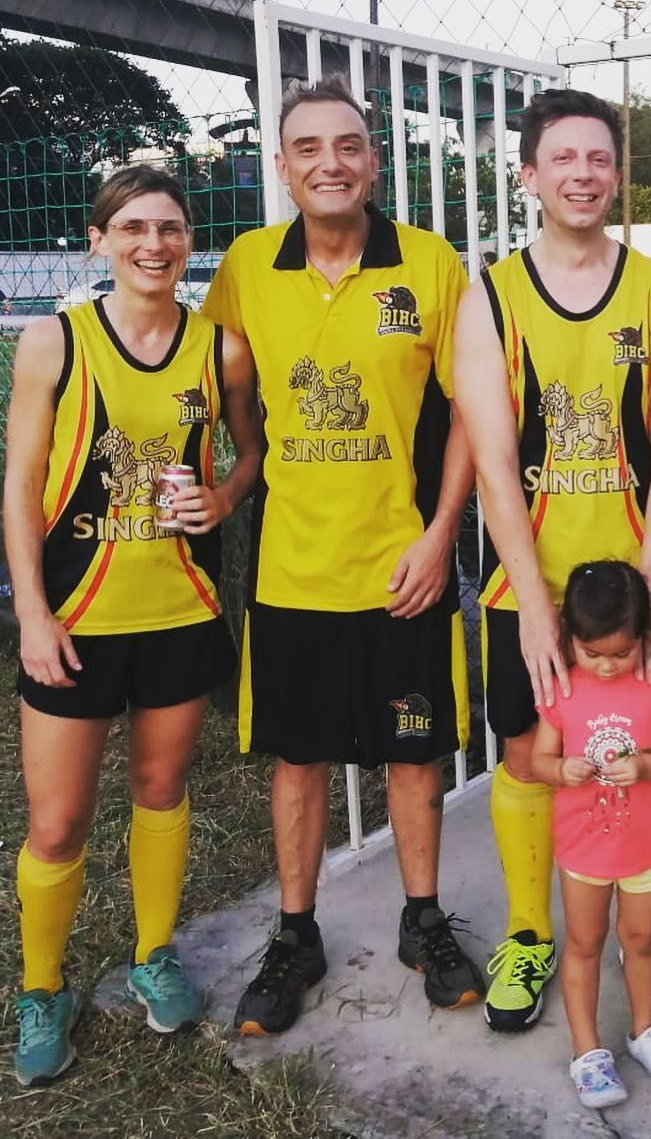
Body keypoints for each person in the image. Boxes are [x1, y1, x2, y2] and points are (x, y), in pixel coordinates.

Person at [204, 76, 483, 1035]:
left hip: (403, 566)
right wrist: (243, 474)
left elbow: (468, 414)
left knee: (415, 751)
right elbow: (235, 395)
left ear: (374, 161)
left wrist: (440, 535)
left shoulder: (429, 264)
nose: (331, 163)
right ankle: (295, 936)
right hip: (293, 570)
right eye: (309, 148)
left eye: (349, 145)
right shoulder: (248, 266)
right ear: (283, 169)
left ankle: (422, 922)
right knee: (300, 755)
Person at [454, 87, 651, 1033]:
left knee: (638, 756)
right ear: (530, 175)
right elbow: (492, 463)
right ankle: (530, 933)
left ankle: (647, 924)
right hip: (531, 584)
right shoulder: (490, 297)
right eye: (563, 158)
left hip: (634, 589)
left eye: (599, 158)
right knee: (531, 760)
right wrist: (532, 604)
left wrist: (648, 595)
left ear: (617, 173)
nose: (584, 174)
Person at [5, 166, 262, 1086]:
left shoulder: (220, 349)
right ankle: (42, 987)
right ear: (99, 241)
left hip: (179, 610)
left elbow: (251, 452)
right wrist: (32, 614)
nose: (154, 244)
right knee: (58, 822)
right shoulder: (55, 341)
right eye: (134, 228)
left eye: (170, 228)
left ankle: (154, 954)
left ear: (189, 241)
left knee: (160, 789)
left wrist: (220, 497)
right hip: (77, 618)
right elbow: (20, 485)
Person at [532, 561, 651, 1108]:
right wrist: (562, 770)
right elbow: (538, 761)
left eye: (620, 653)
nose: (606, 666)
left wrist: (647, 765)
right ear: (568, 639)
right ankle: (587, 1051)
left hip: (650, 845)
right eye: (592, 652)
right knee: (583, 944)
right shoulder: (561, 691)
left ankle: (645, 1030)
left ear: (645, 637)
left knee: (642, 940)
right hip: (585, 849)